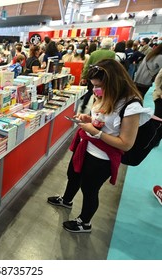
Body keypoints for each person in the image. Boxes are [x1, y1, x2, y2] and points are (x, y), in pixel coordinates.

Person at [47, 59, 152, 233]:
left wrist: (96, 133)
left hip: (102, 157)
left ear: (112, 82)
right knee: (73, 175)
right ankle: (66, 199)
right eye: (94, 85)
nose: (96, 90)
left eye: (99, 85)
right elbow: (102, 120)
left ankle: (84, 222)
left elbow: (125, 144)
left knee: (89, 189)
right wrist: (89, 120)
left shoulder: (131, 105)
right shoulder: (104, 95)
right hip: (85, 146)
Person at [79, 38, 115, 113]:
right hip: (104, 77)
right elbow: (112, 67)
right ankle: (93, 111)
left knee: (89, 91)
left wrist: (84, 76)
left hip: (92, 76)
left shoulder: (94, 53)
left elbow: (87, 66)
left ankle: (83, 106)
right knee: (99, 94)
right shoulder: (112, 54)